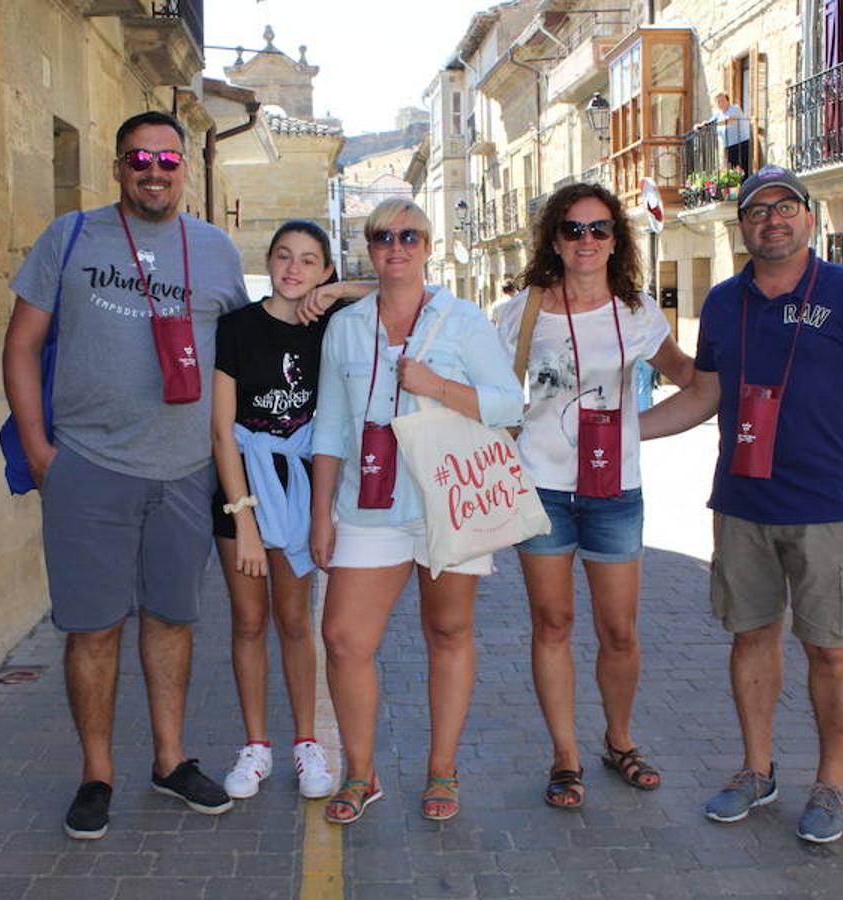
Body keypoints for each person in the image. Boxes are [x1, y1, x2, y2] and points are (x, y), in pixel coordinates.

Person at [639, 165, 843, 844]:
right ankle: (756, 772)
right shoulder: (727, 303)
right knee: (751, 636)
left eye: (786, 207)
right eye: (758, 211)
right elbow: (705, 395)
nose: (773, 220)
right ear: (743, 227)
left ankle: (832, 783)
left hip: (826, 506)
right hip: (741, 502)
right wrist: (619, 434)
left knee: (830, 647)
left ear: (809, 218)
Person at [3, 110, 248, 840]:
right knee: (94, 628)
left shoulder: (213, 250)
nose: (155, 170)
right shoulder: (70, 237)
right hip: (89, 467)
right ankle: (97, 774)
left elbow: (244, 351)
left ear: (184, 171)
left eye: (169, 159)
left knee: (173, 620)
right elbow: (20, 346)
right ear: (117, 167)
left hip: (183, 472)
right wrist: (41, 451)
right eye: (140, 157)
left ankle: (170, 762)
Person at [310, 198, 522, 825]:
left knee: (448, 633)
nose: (395, 247)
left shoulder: (463, 321)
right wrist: (321, 513)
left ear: (428, 246)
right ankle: (359, 771)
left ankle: (442, 770)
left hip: (448, 500)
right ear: (369, 249)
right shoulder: (347, 327)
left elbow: (508, 404)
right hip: (367, 505)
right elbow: (330, 427)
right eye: (382, 237)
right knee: (344, 639)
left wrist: (435, 385)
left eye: (409, 235)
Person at [495, 183, 693, 810]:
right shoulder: (523, 311)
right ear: (554, 239)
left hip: (615, 490)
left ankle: (619, 740)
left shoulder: (636, 312)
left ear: (616, 239)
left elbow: (691, 378)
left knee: (620, 632)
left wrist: (643, 428)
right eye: (573, 230)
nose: (586, 241)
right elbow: (495, 393)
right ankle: (565, 755)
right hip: (542, 490)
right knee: (552, 625)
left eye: (599, 229)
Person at [212, 221, 343, 802]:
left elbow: (409, 291)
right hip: (242, 487)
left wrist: (337, 294)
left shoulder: (332, 325)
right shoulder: (236, 327)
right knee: (248, 622)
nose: (294, 269)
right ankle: (257, 746)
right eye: (284, 256)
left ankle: (306, 743)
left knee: (295, 622)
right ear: (268, 260)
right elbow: (221, 431)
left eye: (310, 261)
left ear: (324, 271)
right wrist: (243, 523)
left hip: (298, 493)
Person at [715, 92, 751, 175]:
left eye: (722, 101)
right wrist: (698, 126)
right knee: (733, 171)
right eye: (718, 102)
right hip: (728, 147)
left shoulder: (735, 108)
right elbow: (708, 123)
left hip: (741, 143)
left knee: (743, 169)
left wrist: (715, 123)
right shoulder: (718, 114)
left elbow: (730, 120)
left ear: (728, 101)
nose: (720, 103)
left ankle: (744, 187)